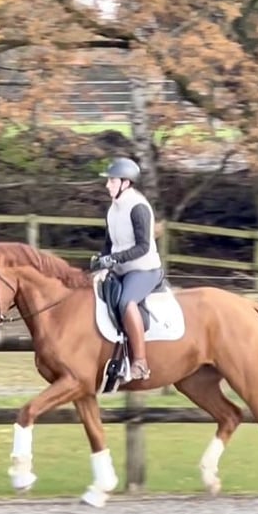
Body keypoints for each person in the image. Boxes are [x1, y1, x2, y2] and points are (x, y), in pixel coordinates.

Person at [92, 156, 163, 381]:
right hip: (122, 269)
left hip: (145, 269)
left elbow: (143, 247)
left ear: (126, 183)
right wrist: (101, 261)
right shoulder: (113, 210)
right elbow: (108, 243)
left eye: (112, 181)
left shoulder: (138, 207)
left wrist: (114, 259)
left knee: (126, 302)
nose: (107, 185)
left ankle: (140, 362)